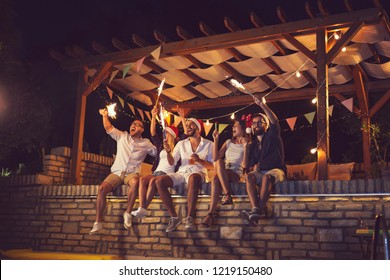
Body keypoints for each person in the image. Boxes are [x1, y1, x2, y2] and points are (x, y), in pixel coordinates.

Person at [89, 108, 157, 234]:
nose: (134, 125)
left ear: (142, 130)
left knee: (135, 181)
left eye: (137, 125)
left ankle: (128, 212)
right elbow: (108, 127)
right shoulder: (122, 136)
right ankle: (98, 222)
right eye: (133, 124)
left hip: (131, 173)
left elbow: (158, 152)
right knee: (102, 188)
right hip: (117, 172)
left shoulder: (146, 143)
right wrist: (104, 115)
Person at [155, 118, 214, 232]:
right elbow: (172, 162)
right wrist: (168, 152)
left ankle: (190, 217)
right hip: (182, 173)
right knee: (159, 181)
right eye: (186, 125)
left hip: (198, 172)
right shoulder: (181, 144)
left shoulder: (209, 144)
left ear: (198, 127)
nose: (188, 126)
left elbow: (213, 166)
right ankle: (174, 217)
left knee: (193, 178)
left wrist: (200, 161)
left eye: (191, 124)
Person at [241, 97, 286, 225]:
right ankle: (256, 208)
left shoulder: (272, 136)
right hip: (262, 172)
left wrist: (263, 105)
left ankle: (258, 210)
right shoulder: (252, 145)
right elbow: (248, 167)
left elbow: (274, 121)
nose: (256, 125)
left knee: (267, 177)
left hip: (277, 170)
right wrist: (253, 168)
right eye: (254, 123)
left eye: (260, 122)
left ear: (265, 125)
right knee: (249, 177)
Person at [130, 106, 180, 218]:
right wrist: (153, 116)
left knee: (152, 182)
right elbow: (152, 133)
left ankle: (143, 209)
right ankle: (142, 208)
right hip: (156, 172)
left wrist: (182, 117)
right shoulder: (160, 146)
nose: (164, 136)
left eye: (166, 134)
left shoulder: (177, 148)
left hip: (166, 175)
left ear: (171, 136)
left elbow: (186, 136)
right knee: (142, 179)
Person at [201, 120, 249, 227]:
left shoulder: (247, 144)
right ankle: (213, 211)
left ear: (243, 129)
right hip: (223, 170)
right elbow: (215, 158)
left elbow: (245, 165)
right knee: (216, 174)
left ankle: (216, 207)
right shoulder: (228, 142)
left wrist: (245, 147)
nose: (233, 128)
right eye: (233, 126)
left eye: (236, 126)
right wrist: (216, 139)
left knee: (216, 175)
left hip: (236, 172)